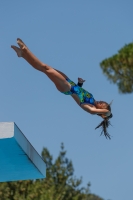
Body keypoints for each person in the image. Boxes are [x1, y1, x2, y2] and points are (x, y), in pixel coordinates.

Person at [11, 38, 113, 139]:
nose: (101, 101)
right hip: (70, 83)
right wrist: (80, 84)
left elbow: (94, 110)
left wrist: (107, 113)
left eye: (102, 104)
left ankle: (25, 50)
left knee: (45, 68)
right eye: (103, 101)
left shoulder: (91, 109)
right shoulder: (93, 100)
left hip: (67, 88)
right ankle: (23, 55)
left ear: (102, 110)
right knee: (45, 68)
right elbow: (80, 93)